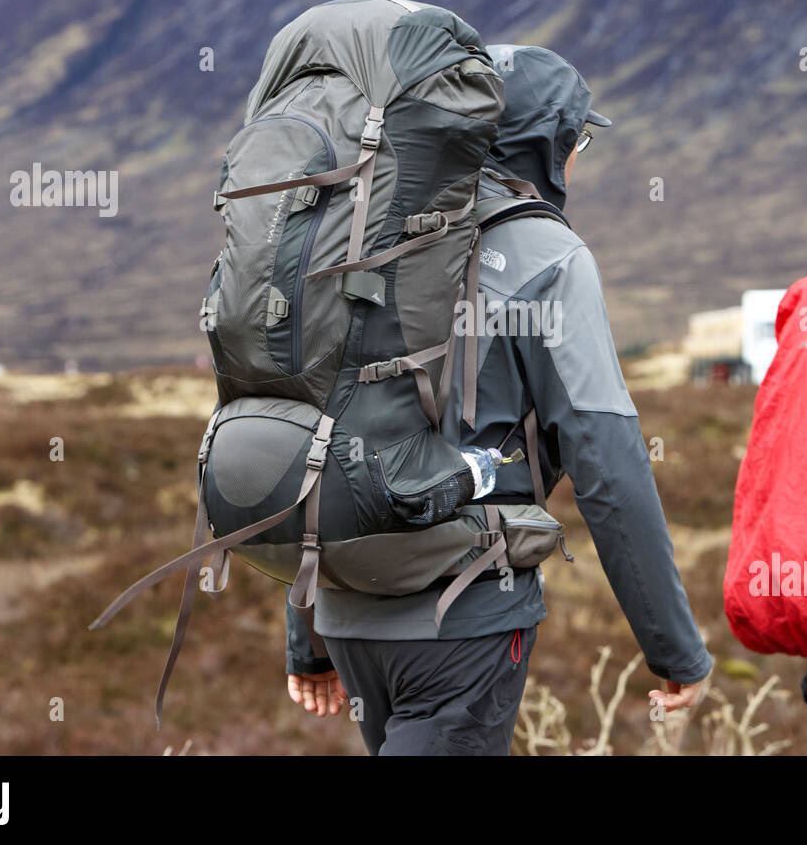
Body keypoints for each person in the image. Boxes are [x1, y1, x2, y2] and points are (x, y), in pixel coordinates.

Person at [283, 44, 714, 754]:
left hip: (348, 612)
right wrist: (676, 651)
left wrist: (308, 635)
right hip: (463, 617)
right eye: (578, 140)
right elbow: (608, 462)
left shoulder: (364, 237)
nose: (578, 159)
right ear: (546, 144)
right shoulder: (547, 254)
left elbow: (314, 429)